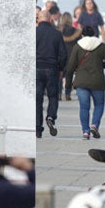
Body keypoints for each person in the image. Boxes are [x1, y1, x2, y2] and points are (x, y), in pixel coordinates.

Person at [65, 26, 105, 140]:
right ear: (94, 34)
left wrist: (68, 86)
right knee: (99, 105)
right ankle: (94, 125)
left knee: (84, 107)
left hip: (81, 82)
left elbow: (70, 67)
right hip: (97, 81)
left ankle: (85, 132)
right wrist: (101, 65)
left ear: (82, 35)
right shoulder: (101, 46)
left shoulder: (78, 46)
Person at [36, 10, 67, 138]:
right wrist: (60, 69)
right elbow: (63, 55)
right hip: (52, 69)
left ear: (38, 19)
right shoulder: (57, 34)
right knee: (53, 96)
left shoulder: (34, 33)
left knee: (37, 100)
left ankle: (38, 128)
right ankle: (51, 116)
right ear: (50, 19)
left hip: (36, 69)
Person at [58, 12, 81, 101]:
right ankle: (67, 94)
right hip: (72, 55)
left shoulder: (58, 31)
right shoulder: (76, 32)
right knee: (69, 76)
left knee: (59, 76)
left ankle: (59, 93)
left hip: (60, 55)